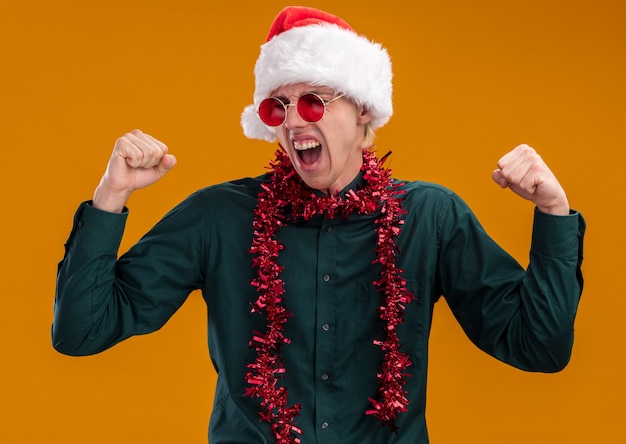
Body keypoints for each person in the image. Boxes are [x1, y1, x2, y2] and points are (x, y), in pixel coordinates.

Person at [52, 6, 585, 444]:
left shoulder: (430, 217)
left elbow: (537, 346)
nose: (293, 119)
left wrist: (553, 214)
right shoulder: (219, 217)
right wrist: (111, 195)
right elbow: (82, 330)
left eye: (313, 100)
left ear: (363, 114)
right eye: (277, 106)